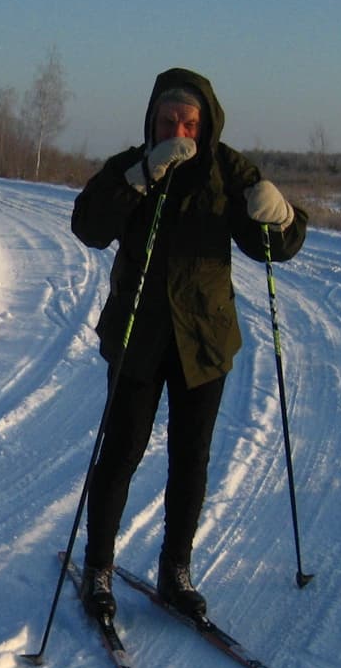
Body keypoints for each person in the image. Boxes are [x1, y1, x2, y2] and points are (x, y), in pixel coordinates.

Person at [71, 67, 307, 626]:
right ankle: (98, 568)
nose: (180, 130)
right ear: (153, 121)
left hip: (202, 339)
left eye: (191, 122)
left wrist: (285, 218)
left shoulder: (228, 171)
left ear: (207, 126)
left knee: (191, 459)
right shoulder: (133, 167)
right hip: (138, 334)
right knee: (121, 453)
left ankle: (176, 570)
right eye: (170, 120)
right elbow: (88, 225)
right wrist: (138, 179)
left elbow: (273, 244)